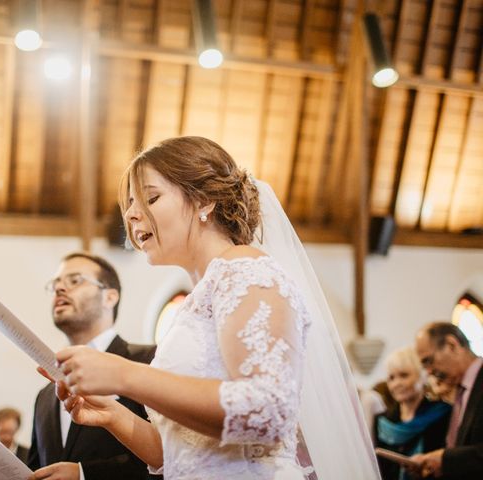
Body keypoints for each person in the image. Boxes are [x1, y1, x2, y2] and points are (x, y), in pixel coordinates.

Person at [40, 136, 379, 479]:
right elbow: (178, 451)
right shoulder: (195, 303)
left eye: (151, 198)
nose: (130, 214)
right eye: (129, 204)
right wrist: (113, 414)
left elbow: (268, 410)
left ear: (204, 201)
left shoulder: (246, 271)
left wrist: (124, 375)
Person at [27, 252, 156, 480]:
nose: (60, 289)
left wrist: (84, 474)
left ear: (110, 297)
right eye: (55, 284)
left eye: (74, 280)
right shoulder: (45, 396)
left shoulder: (148, 359)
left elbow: (173, 454)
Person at [412, 322, 483, 479]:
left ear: (452, 345)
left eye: (429, 361)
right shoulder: (459, 391)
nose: (429, 372)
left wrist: (445, 460)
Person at [374, 347, 451, 480]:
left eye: (404, 375)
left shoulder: (443, 413)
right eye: (391, 378)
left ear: (422, 376)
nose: (396, 384)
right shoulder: (382, 421)